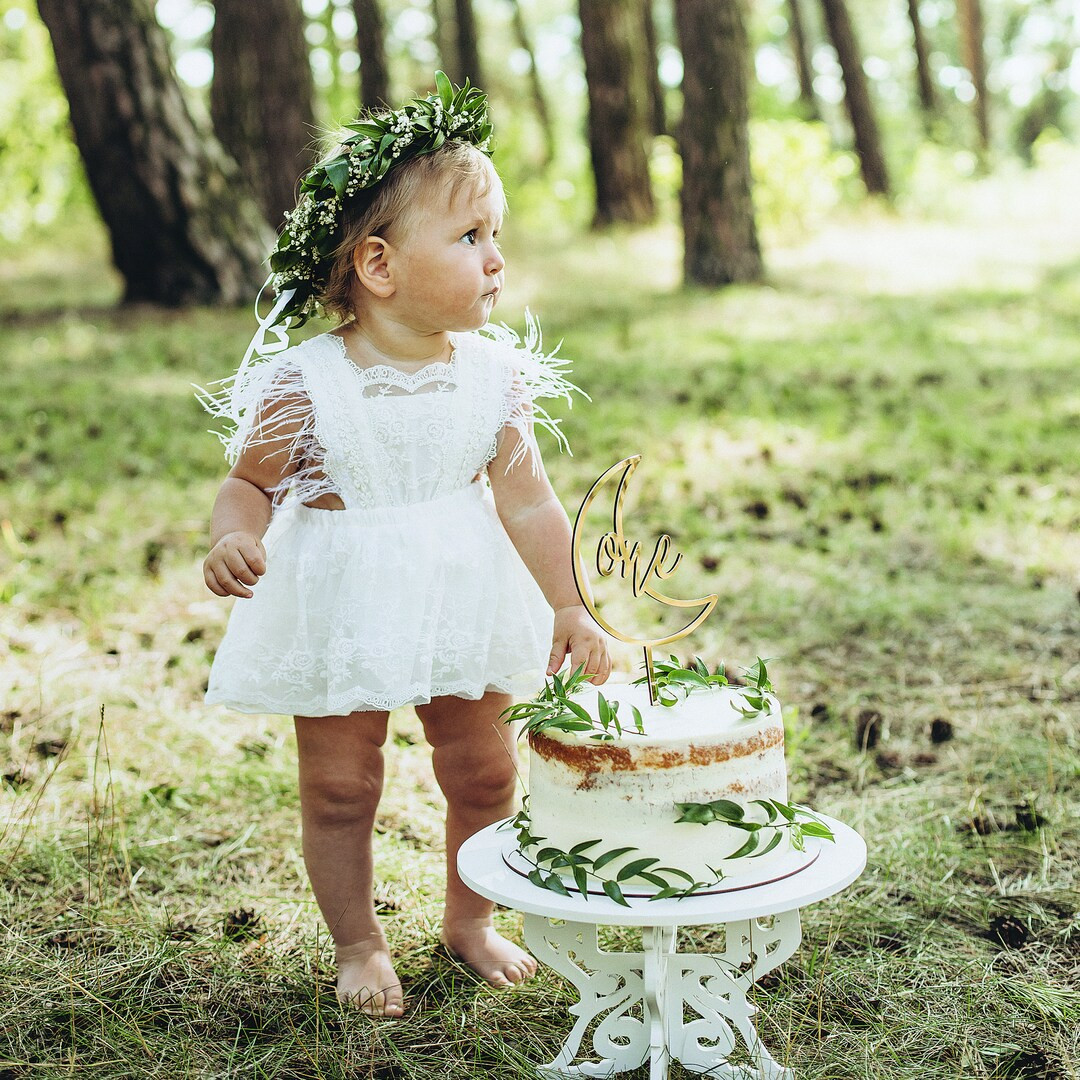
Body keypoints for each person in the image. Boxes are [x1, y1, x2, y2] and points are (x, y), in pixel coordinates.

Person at [197, 74, 611, 1018]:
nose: (497, 258)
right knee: (342, 784)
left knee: (486, 769)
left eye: (497, 235)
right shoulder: (306, 383)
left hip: (464, 593)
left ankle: (469, 920)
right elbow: (249, 483)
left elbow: (531, 500)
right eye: (471, 238)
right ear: (379, 266)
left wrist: (567, 603)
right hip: (342, 600)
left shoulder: (495, 376)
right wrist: (234, 535)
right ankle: (358, 942)